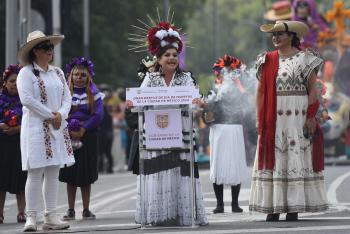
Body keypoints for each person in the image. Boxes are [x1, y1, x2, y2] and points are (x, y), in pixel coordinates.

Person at [128, 19, 208, 226]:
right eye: (167, 55)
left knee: (180, 171)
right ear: (159, 58)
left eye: (175, 55)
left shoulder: (186, 79)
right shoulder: (150, 79)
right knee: (159, 170)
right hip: (156, 132)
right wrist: (132, 103)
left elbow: (195, 104)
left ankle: (184, 214)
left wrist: (199, 103)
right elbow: (139, 104)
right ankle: (159, 215)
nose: (172, 58)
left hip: (180, 131)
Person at [249, 21, 328, 222]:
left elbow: (313, 90)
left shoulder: (305, 59)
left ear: (292, 36)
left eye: (280, 34)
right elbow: (260, 92)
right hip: (272, 119)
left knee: (293, 157)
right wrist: (259, 118)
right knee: (274, 158)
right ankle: (272, 207)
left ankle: (293, 207)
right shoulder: (265, 60)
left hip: (296, 117)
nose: (276, 38)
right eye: (273, 35)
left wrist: (311, 116)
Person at [17, 30, 74, 231]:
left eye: (51, 47)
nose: (50, 50)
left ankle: (51, 215)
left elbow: (67, 97)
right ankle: (31, 217)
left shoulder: (57, 72)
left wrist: (61, 115)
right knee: (35, 172)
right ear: (35, 52)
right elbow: (27, 100)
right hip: (35, 128)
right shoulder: (25, 73)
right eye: (45, 47)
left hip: (57, 127)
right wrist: (51, 115)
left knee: (53, 172)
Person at [59, 57, 104, 221]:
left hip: (89, 136)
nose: (79, 77)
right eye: (76, 74)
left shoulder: (95, 93)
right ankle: (70, 209)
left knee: (86, 175)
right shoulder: (64, 93)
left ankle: (86, 209)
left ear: (88, 76)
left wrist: (84, 129)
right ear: (71, 76)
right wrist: (69, 129)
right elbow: (59, 113)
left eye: (83, 75)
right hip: (68, 135)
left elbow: (98, 115)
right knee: (70, 175)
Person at [202, 55, 248, 214]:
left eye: (230, 70)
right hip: (218, 130)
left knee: (235, 164)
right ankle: (219, 204)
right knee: (218, 166)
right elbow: (206, 117)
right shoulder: (213, 90)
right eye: (224, 71)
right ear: (218, 73)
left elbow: (247, 111)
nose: (227, 73)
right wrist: (207, 113)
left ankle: (235, 203)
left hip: (234, 129)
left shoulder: (240, 90)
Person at [0, 64, 27, 224]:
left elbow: (33, 123)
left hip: (19, 144)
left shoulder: (26, 101)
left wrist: (17, 129)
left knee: (20, 181)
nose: (14, 85)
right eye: (11, 81)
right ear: (5, 83)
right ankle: (0, 214)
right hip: (2, 145)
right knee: (1, 181)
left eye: (18, 82)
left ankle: (21, 212)